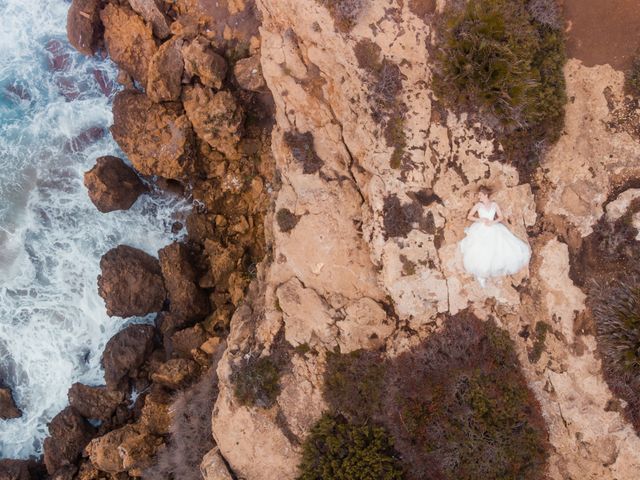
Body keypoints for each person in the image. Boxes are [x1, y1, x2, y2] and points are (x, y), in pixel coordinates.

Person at [459, 186, 531, 287]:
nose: (478, 197)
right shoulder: (478, 205)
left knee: (497, 248)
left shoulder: (494, 205)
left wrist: (493, 222)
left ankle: (493, 274)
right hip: (481, 228)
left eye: (480, 195)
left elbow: (501, 217)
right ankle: (481, 275)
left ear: (485, 195)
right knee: (481, 250)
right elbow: (469, 216)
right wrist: (481, 220)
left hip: (493, 227)